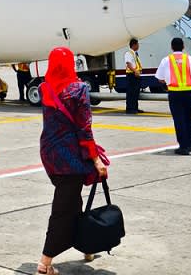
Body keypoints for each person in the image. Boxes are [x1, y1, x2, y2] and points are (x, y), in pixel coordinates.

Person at [37, 47, 108, 275]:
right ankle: (45, 262)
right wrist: (96, 159)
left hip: (49, 153)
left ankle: (86, 247)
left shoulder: (43, 87)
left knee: (73, 202)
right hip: (70, 157)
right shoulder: (78, 89)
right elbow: (84, 129)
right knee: (62, 208)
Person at [155, 37, 191, 155]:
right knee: (188, 118)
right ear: (183, 47)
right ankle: (189, 144)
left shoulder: (166, 60)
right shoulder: (190, 59)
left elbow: (160, 78)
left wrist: (168, 81)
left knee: (178, 119)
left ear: (171, 47)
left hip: (174, 93)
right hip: (188, 92)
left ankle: (183, 146)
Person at [124, 38, 143, 114]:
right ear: (134, 45)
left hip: (136, 75)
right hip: (131, 75)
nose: (138, 46)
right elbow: (128, 64)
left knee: (135, 93)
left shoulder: (135, 53)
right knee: (131, 92)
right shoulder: (128, 53)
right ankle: (130, 109)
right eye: (137, 44)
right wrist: (135, 71)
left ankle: (135, 108)